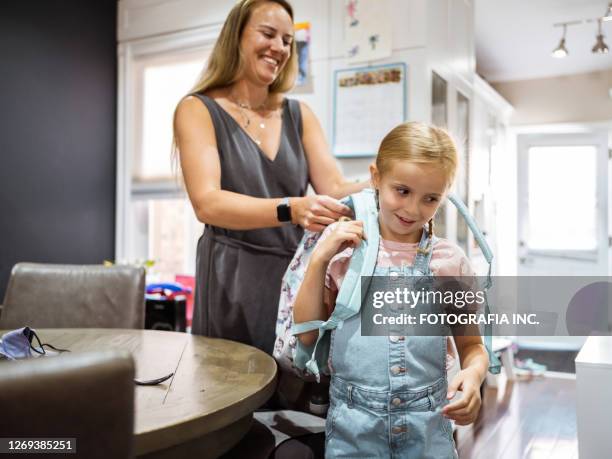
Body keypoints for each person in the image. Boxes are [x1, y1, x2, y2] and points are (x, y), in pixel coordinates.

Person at [173, 0, 367, 355]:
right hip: (230, 279)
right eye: (268, 34)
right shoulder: (197, 109)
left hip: (294, 276)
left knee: (290, 392)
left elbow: (335, 189)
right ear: (235, 37)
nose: (279, 47)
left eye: (288, 40)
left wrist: (385, 180)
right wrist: (290, 209)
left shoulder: (298, 114)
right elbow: (208, 202)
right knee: (232, 391)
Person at [293, 122, 490, 458]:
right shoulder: (343, 255)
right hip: (352, 434)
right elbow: (308, 337)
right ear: (376, 177)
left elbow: (472, 346)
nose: (413, 209)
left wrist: (473, 376)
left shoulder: (450, 263)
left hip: (429, 434)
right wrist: (319, 260)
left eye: (431, 199)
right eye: (402, 191)